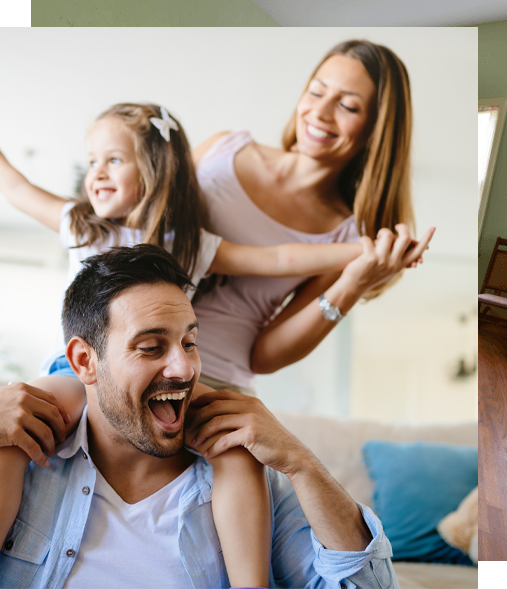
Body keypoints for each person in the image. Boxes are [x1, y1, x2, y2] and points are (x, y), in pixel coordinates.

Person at [0, 102, 375, 588]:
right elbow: (16, 188)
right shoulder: (82, 223)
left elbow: (280, 257)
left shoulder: (193, 244)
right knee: (17, 429)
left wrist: (362, 251)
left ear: (155, 169)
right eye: (92, 161)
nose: (97, 173)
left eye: (113, 160)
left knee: (234, 450)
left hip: (147, 386)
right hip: (75, 378)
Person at [0, 245, 399, 589]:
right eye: (152, 347)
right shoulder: (26, 451)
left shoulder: (250, 473)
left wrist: (302, 463)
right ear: (85, 361)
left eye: (189, 343)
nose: (184, 369)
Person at [191, 39, 435, 392]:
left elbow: (264, 357)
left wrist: (353, 284)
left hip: (213, 380)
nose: (320, 113)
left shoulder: (348, 236)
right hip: (125, 350)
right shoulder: (220, 149)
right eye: (316, 92)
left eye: (348, 106)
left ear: (375, 131)